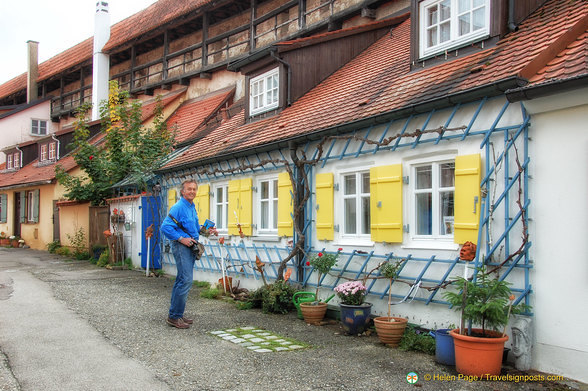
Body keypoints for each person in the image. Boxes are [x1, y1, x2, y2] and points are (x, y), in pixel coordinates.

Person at [161, 179, 201, 329]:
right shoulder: (178, 207)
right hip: (181, 246)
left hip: (190, 246)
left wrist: (206, 230)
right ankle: (174, 317)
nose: (192, 191)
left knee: (181, 280)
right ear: (182, 192)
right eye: (189, 189)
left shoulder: (191, 206)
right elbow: (165, 227)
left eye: (194, 189)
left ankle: (177, 314)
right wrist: (181, 239)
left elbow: (193, 228)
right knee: (186, 280)